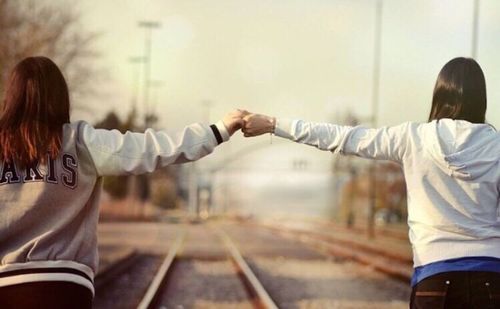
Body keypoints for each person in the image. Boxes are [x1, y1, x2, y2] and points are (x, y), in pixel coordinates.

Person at [242, 57, 500, 308]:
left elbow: (344, 137)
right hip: (491, 278)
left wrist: (274, 124)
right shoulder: (497, 147)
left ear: (440, 95)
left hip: (434, 277)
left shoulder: (412, 138)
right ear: (482, 99)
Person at [0, 56, 245, 308]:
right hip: (65, 286)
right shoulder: (81, 141)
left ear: (12, 96)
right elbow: (150, 148)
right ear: (59, 96)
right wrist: (218, 130)